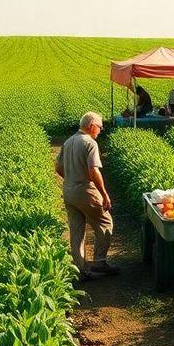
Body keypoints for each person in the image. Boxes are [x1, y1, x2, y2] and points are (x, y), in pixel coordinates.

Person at [55, 112, 119, 280]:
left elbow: (58, 168)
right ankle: (99, 261)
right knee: (105, 222)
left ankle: (81, 270)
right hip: (85, 190)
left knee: (76, 231)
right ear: (91, 126)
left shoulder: (69, 141)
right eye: (99, 127)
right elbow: (93, 171)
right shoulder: (89, 143)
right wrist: (104, 194)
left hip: (68, 190)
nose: (100, 130)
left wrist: (72, 178)